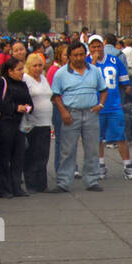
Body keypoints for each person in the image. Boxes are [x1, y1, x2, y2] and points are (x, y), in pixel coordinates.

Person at [50, 41, 106, 192]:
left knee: (92, 148)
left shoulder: (94, 70)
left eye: (82, 54)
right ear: (69, 57)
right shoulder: (61, 73)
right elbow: (55, 95)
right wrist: (63, 112)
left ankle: (92, 180)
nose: (79, 58)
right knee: (67, 150)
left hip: (91, 113)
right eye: (75, 55)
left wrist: (100, 105)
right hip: (71, 113)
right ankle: (63, 183)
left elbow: (104, 90)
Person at [90, 34, 132, 181]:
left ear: (103, 46)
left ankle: (127, 165)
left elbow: (125, 83)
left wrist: (123, 95)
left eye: (99, 46)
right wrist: (92, 61)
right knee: (98, 138)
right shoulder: (86, 62)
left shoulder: (114, 60)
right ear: (89, 48)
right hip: (95, 105)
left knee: (120, 136)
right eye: (93, 46)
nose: (97, 49)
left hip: (113, 104)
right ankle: (100, 164)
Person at [0, 57, 32, 199]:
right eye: (19, 70)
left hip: (20, 124)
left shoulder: (23, 84)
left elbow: (30, 103)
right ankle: (3, 188)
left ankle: (16, 187)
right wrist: (15, 108)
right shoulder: (0, 82)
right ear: (10, 71)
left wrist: (27, 108)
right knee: (4, 156)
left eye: (22, 69)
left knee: (18, 156)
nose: (22, 73)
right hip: (4, 124)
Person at [22, 52, 54, 193]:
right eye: (34, 65)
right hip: (32, 122)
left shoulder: (43, 78)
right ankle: (31, 183)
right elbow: (23, 99)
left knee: (43, 154)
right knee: (32, 154)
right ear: (29, 66)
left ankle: (42, 184)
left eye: (40, 65)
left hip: (46, 122)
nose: (38, 68)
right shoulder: (26, 79)